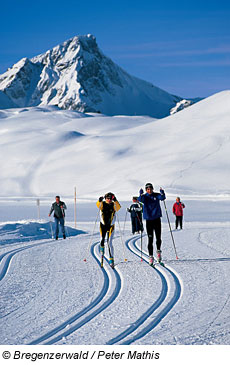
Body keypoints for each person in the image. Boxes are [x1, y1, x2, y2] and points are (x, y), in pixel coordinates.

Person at [138, 183, 166, 266]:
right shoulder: (145, 196)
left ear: (153, 189)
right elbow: (140, 199)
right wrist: (140, 194)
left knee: (158, 238)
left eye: (150, 189)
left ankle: (158, 252)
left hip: (157, 219)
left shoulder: (156, 195)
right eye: (148, 189)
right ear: (146, 190)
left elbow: (162, 198)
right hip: (149, 220)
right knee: (150, 239)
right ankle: (150, 257)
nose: (149, 190)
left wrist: (162, 192)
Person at [96, 192, 121, 268]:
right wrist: (99, 200)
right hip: (103, 226)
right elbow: (98, 205)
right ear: (105, 198)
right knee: (102, 240)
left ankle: (111, 259)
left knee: (109, 242)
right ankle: (102, 253)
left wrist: (116, 200)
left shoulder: (113, 205)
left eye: (110, 198)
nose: (109, 200)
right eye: (107, 198)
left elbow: (118, 208)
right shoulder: (102, 204)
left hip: (111, 226)